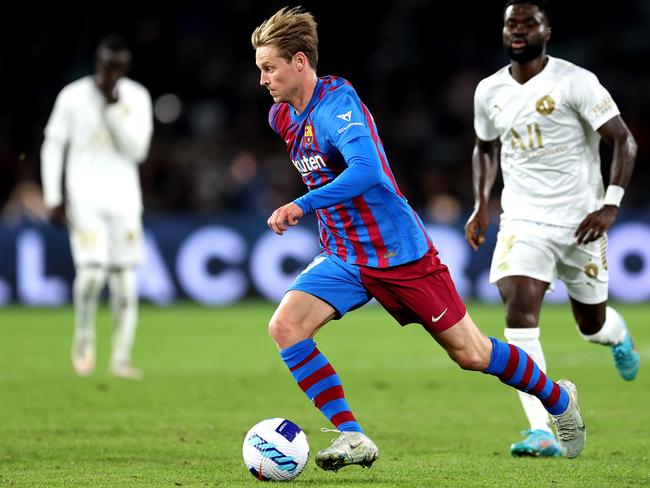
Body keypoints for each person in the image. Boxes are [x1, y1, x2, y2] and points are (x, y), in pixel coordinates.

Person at [252, 6, 586, 472]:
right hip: (346, 254)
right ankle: (352, 436)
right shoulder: (282, 117)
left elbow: (367, 171)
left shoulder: (337, 108)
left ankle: (556, 397)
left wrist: (301, 205)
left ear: (300, 62)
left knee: (471, 354)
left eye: (270, 68)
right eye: (260, 69)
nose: (263, 79)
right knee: (285, 327)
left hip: (398, 253)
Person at [465, 0, 639, 458]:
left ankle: (616, 335)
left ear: (547, 31)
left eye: (528, 23)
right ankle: (544, 427)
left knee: (591, 325)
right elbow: (484, 148)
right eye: (510, 23)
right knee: (517, 309)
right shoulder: (489, 91)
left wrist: (609, 206)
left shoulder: (574, 81)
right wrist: (482, 204)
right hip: (523, 220)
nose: (518, 29)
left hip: (581, 222)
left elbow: (624, 140)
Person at [40, 34, 153, 380]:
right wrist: (52, 198)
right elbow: (53, 146)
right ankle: (84, 338)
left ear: (125, 68)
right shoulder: (72, 97)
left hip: (124, 201)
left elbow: (137, 152)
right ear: (98, 65)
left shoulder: (136, 97)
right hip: (84, 199)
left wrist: (113, 109)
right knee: (90, 274)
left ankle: (120, 358)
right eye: (107, 67)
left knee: (124, 284)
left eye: (118, 68)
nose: (112, 74)